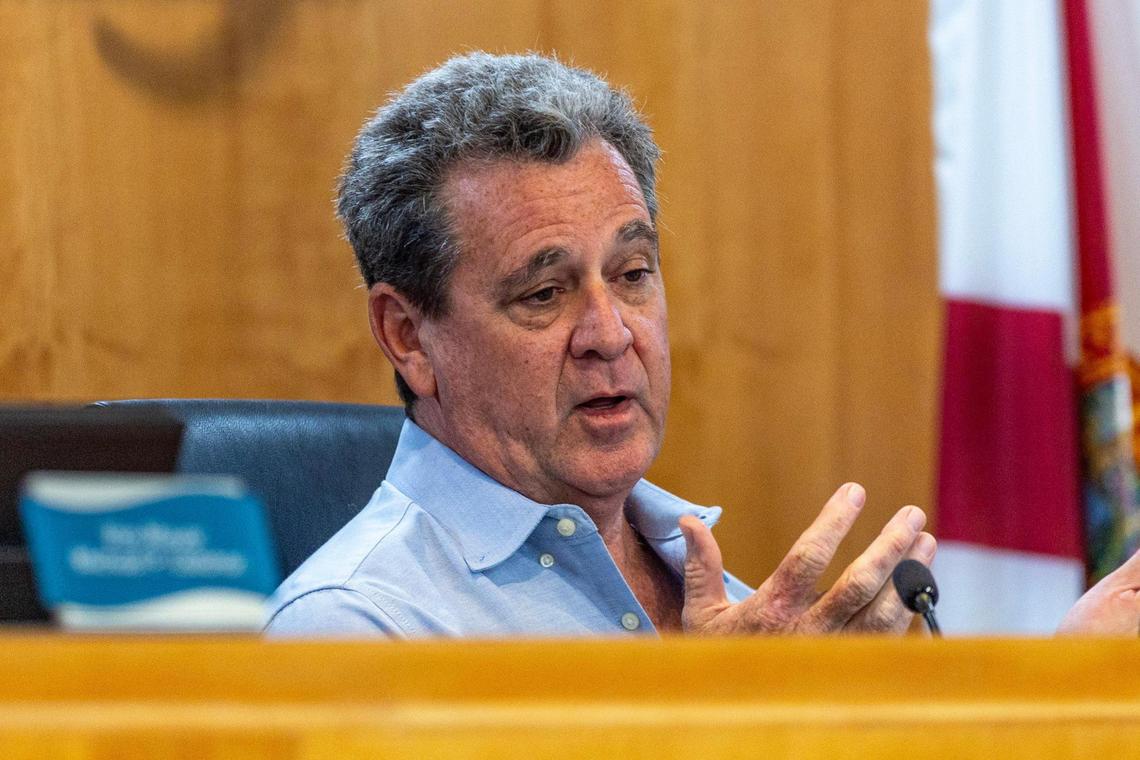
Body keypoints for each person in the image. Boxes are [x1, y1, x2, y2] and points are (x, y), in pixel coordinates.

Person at [265, 52, 1139, 638]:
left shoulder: (704, 578)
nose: (611, 335)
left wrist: (1050, 688)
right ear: (408, 335)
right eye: (543, 293)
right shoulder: (356, 628)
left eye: (634, 273)